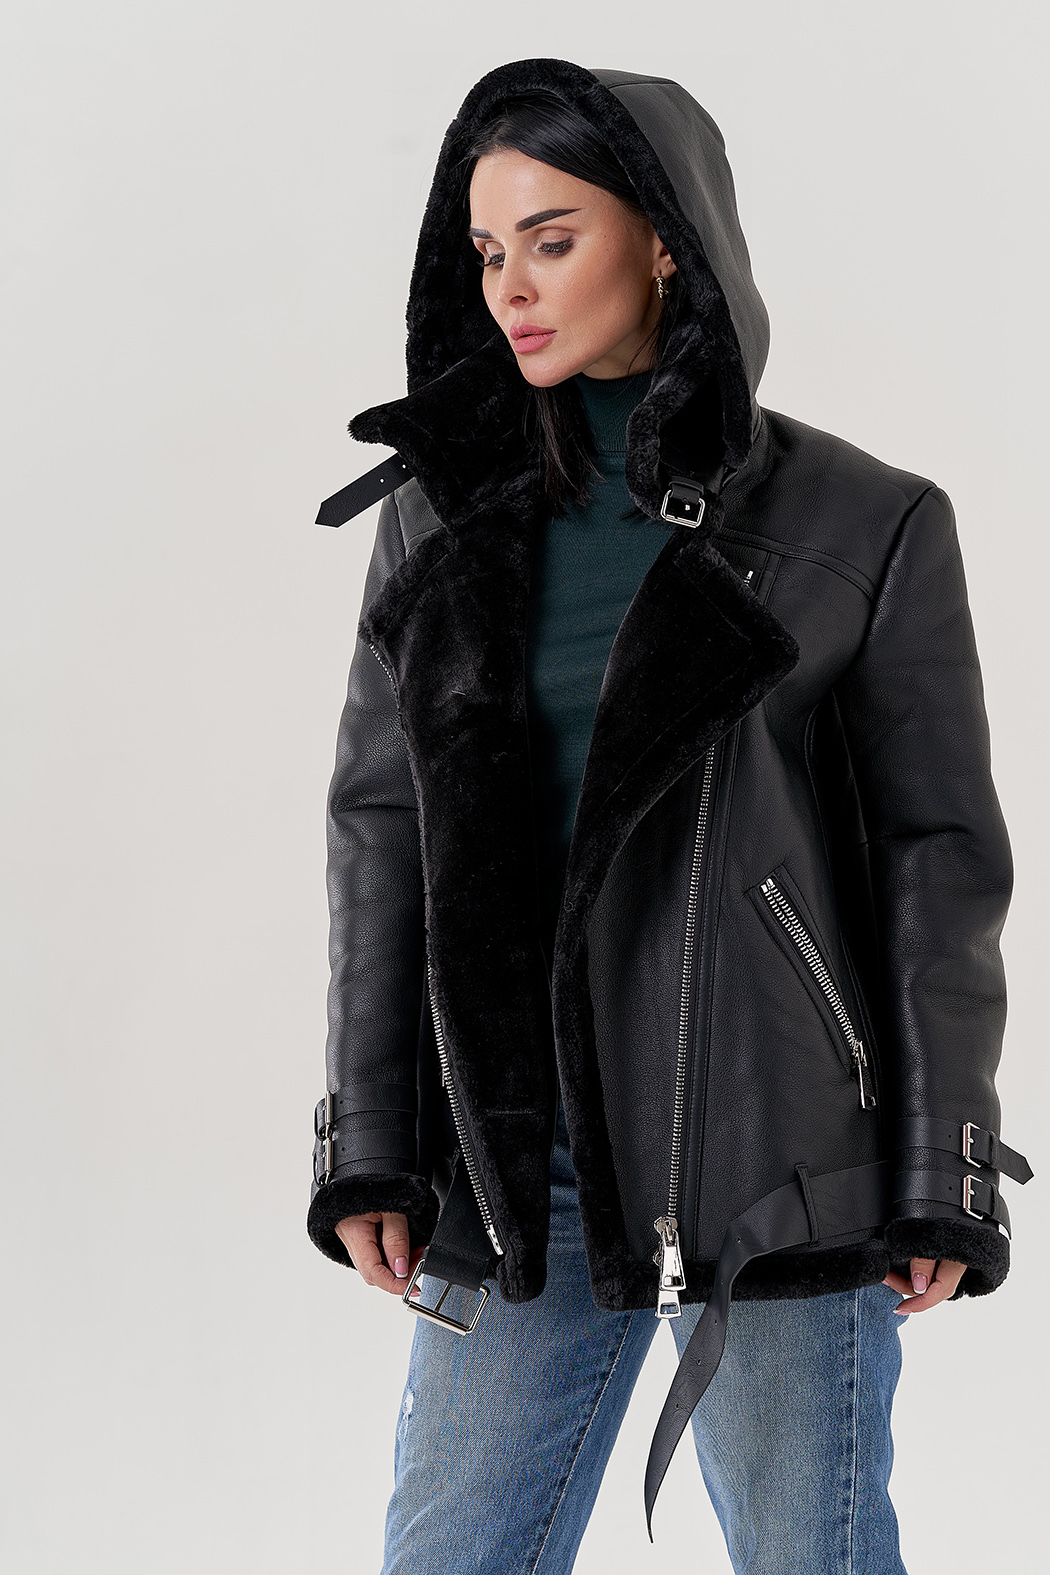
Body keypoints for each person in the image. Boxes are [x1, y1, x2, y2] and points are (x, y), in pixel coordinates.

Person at [306, 59, 1032, 1574]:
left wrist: (938, 1166)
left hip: (776, 1162)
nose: (511, 287)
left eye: (551, 238)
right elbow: (383, 822)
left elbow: (937, 859)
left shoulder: (864, 519)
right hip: (521, 1160)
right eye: (485, 251)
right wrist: (371, 1135)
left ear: (663, 241)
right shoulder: (441, 516)